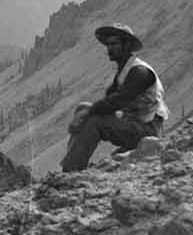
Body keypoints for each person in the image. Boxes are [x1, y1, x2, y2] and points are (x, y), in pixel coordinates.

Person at [60, 23, 169, 172]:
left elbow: (119, 99)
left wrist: (89, 113)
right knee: (83, 107)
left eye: (114, 44)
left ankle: (71, 170)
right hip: (133, 124)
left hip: (147, 131)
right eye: (108, 44)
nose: (109, 48)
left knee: (94, 120)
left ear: (127, 45)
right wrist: (86, 111)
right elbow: (108, 101)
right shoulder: (124, 71)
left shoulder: (140, 71)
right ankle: (72, 161)